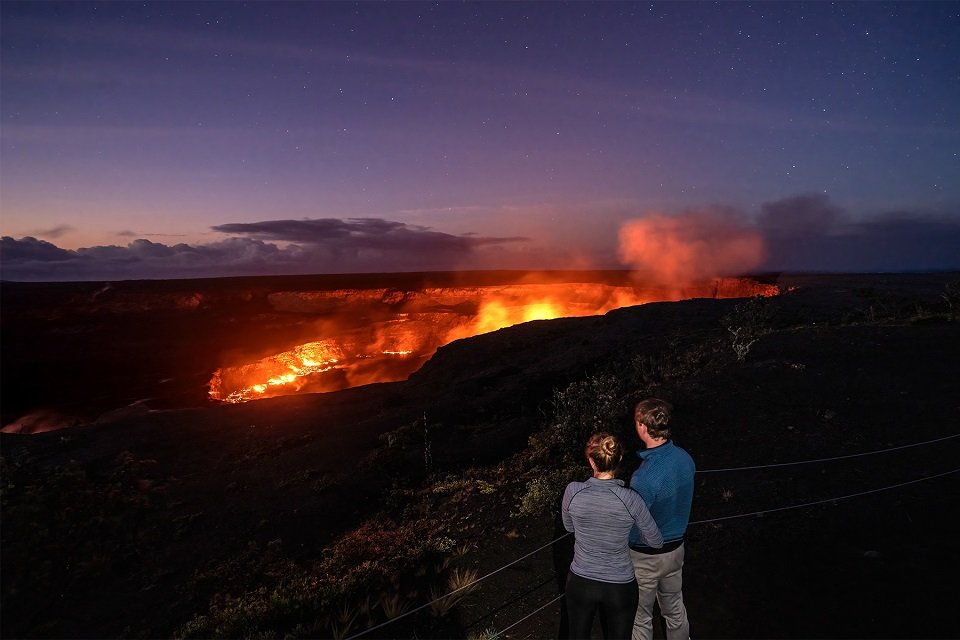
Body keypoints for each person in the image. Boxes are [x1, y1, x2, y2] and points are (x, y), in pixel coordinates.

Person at [562, 432, 663, 639]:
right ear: (620, 459)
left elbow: (569, 527)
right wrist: (626, 532)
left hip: (581, 581)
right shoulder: (631, 499)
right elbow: (655, 541)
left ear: (591, 461)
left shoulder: (573, 491)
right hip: (619, 585)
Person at [628, 398, 696, 640]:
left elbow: (634, 524)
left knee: (640, 617)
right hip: (676, 550)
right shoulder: (685, 458)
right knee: (675, 609)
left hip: (645, 556)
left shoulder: (643, 477)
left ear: (642, 427)